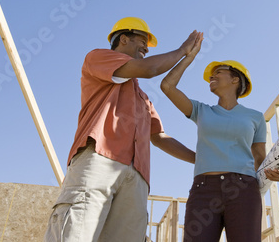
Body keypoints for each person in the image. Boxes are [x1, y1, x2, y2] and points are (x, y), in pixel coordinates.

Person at [44, 16, 199, 242]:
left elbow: (160, 137)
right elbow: (150, 68)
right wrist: (183, 50)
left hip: (137, 176)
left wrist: (202, 159)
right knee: (76, 234)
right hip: (99, 160)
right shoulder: (98, 58)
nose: (146, 47)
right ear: (123, 39)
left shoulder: (143, 99)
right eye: (142, 41)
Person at [160, 34, 279, 242]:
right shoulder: (201, 111)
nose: (212, 77)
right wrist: (188, 57)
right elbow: (167, 87)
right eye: (212, 75)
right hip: (203, 189)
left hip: (243, 189)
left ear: (235, 79)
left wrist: (278, 170)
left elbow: (260, 158)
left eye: (218, 73)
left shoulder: (255, 117)